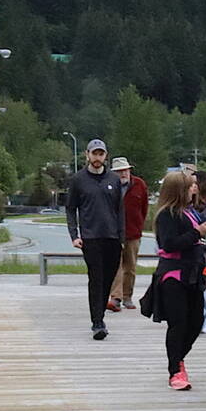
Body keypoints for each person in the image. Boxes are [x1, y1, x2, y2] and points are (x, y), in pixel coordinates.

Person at [142, 168, 206, 390]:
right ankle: (175, 370)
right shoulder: (167, 214)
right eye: (190, 184)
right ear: (179, 189)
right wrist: (197, 233)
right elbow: (169, 244)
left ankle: (178, 358)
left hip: (194, 274)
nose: (195, 187)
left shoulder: (191, 212)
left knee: (196, 322)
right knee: (178, 323)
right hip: (173, 275)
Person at [64, 138, 126, 340]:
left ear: (105, 156)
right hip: (91, 237)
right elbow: (71, 208)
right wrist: (74, 235)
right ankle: (97, 322)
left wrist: (122, 237)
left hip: (112, 237)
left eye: (101, 154)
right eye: (94, 154)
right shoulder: (78, 180)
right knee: (96, 278)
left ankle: (100, 313)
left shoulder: (113, 180)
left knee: (108, 279)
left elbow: (120, 210)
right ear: (87, 155)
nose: (97, 157)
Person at [108, 156, 150, 312]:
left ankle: (127, 296)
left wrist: (139, 225)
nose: (122, 174)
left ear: (129, 170)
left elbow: (144, 208)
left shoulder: (140, 184)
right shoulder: (109, 185)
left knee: (130, 267)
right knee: (115, 266)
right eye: (119, 171)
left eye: (125, 170)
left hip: (133, 233)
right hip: (113, 233)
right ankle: (116, 298)